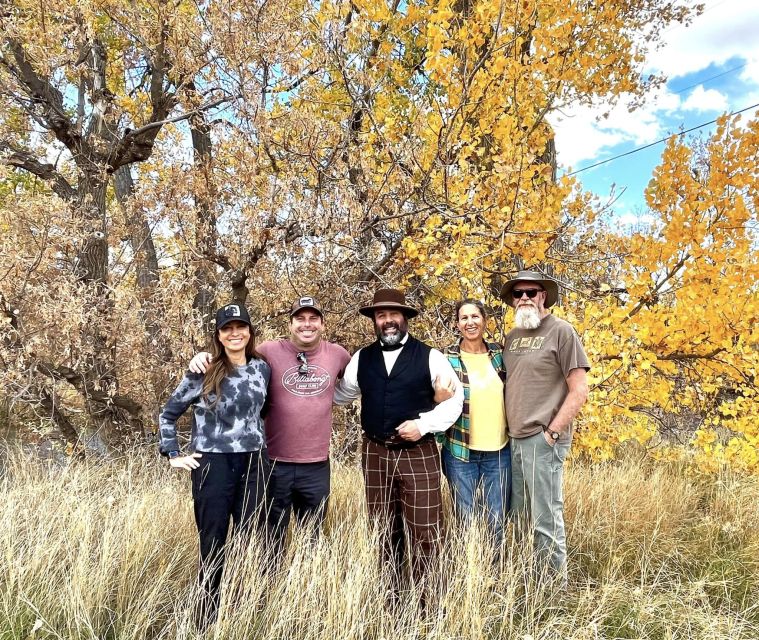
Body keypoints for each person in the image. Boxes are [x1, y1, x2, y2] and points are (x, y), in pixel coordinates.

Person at [189, 296, 351, 560]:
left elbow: (358, 381)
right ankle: (267, 593)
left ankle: (307, 591)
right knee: (270, 538)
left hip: (317, 464)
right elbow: (234, 355)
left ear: (322, 324)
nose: (306, 324)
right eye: (300, 318)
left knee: (313, 536)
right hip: (272, 463)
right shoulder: (269, 351)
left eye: (313, 319)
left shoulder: (338, 355)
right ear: (290, 324)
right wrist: (203, 356)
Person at [334, 288, 463, 596]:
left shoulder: (431, 357)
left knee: (425, 531)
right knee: (382, 529)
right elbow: (341, 394)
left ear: (405, 318)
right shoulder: (361, 359)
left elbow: (455, 400)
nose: (388, 321)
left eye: (394, 315)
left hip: (418, 452)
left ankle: (430, 605)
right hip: (375, 453)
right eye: (381, 316)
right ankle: (390, 601)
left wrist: (423, 425)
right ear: (374, 321)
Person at [159, 303, 270, 626]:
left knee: (251, 539)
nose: (235, 333)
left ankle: (245, 614)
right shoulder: (203, 370)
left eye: (241, 327)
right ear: (219, 335)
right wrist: (173, 454)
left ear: (249, 332)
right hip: (213, 466)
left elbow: (260, 412)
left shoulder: (261, 368)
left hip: (253, 464)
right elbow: (168, 414)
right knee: (214, 542)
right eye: (227, 328)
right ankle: (205, 620)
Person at [500, 270, 589, 586]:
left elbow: (579, 390)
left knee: (546, 520)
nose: (524, 297)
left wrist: (552, 433)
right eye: (518, 293)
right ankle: (528, 583)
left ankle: (552, 592)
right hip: (513, 440)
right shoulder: (512, 337)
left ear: (544, 296)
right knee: (521, 519)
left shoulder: (562, 332)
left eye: (531, 292)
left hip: (542, 439)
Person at [438, 299, 510, 546]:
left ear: (484, 320)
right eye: (464, 318)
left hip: (499, 453)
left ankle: (495, 579)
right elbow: (431, 398)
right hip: (459, 452)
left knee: (496, 521)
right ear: (457, 324)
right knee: (466, 521)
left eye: (475, 316)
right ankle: (468, 577)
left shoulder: (500, 354)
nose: (470, 322)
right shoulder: (445, 358)